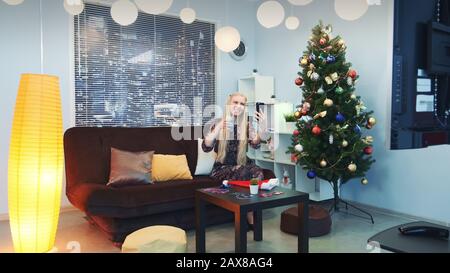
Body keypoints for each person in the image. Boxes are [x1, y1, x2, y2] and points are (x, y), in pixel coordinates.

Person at [202, 92, 268, 230]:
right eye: (235, 102)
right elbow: (206, 146)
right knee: (245, 172)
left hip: (243, 164)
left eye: (242, 104)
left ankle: (248, 212)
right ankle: (246, 217)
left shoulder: (246, 124)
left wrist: (262, 130)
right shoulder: (219, 122)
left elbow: (255, 144)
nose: (238, 106)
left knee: (258, 172)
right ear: (229, 104)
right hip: (222, 168)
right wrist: (219, 128)